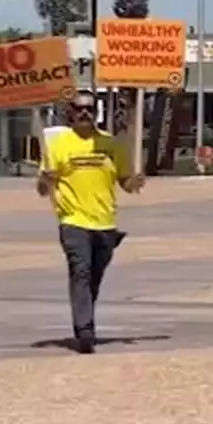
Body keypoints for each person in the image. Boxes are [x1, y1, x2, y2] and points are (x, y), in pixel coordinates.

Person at [36, 90, 144, 354]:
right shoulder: (58, 146)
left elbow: (126, 184)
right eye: (78, 109)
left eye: (89, 109)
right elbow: (41, 189)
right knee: (80, 271)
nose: (84, 113)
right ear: (70, 113)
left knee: (93, 277)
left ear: (96, 113)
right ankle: (85, 331)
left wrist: (136, 181)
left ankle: (84, 320)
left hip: (105, 223)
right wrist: (46, 179)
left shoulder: (112, 144)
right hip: (73, 221)